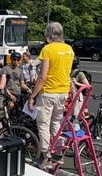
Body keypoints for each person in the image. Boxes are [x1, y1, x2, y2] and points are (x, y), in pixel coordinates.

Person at [28, 22, 74, 167]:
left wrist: (32, 96)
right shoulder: (69, 49)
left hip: (48, 92)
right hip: (63, 91)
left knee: (43, 123)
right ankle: (58, 153)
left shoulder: (47, 50)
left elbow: (42, 77)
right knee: (56, 122)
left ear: (48, 34)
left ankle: (44, 154)